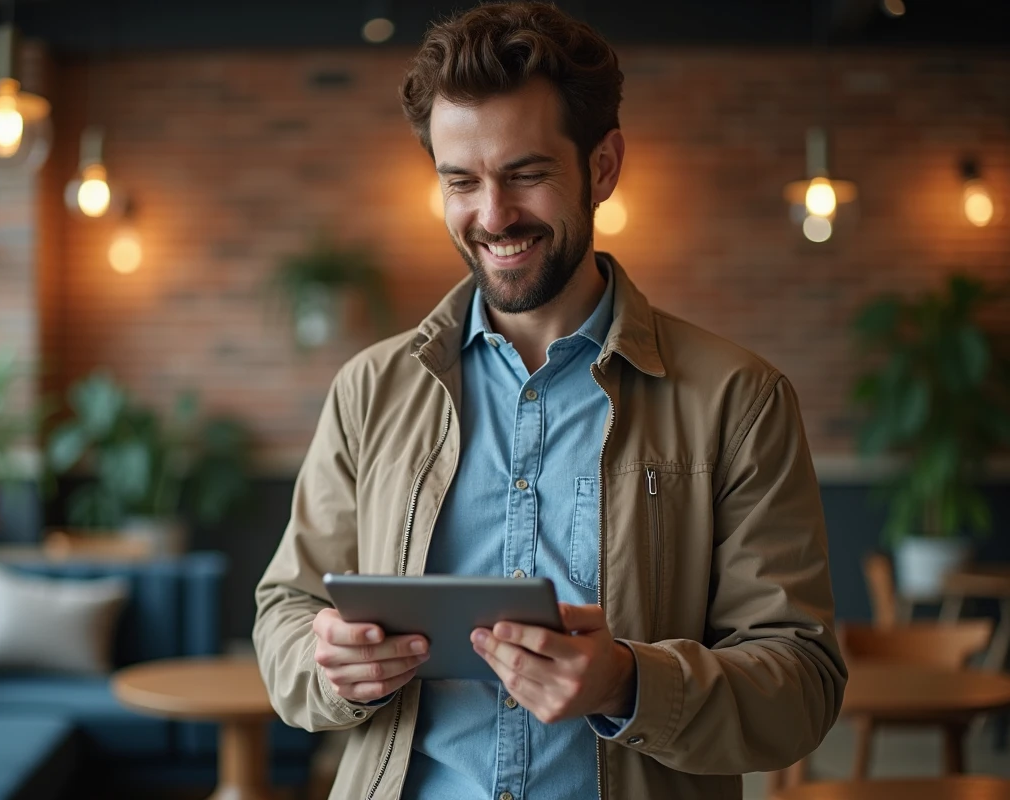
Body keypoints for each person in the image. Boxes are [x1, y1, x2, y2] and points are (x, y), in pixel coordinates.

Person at [253, 3, 846, 798]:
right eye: (461, 181)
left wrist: (628, 684)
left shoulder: (740, 401)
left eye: (526, 174)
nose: (493, 216)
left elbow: (802, 684)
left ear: (602, 167)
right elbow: (286, 611)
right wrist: (329, 664)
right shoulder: (371, 390)